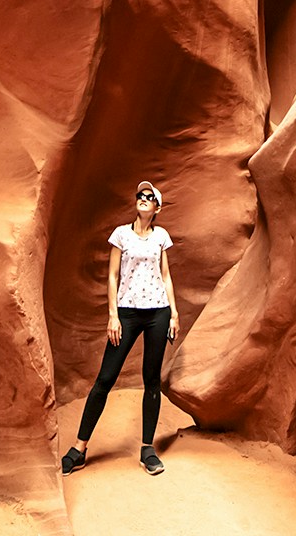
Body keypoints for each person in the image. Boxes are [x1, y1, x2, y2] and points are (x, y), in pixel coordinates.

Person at [61, 180, 178, 477]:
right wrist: (113, 315)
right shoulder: (121, 235)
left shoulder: (161, 236)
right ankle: (79, 449)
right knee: (105, 378)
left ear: (157, 208)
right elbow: (112, 276)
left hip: (157, 313)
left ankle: (147, 449)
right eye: (140, 195)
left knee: (151, 380)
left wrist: (174, 314)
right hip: (127, 312)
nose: (143, 198)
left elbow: (165, 276)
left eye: (149, 197)